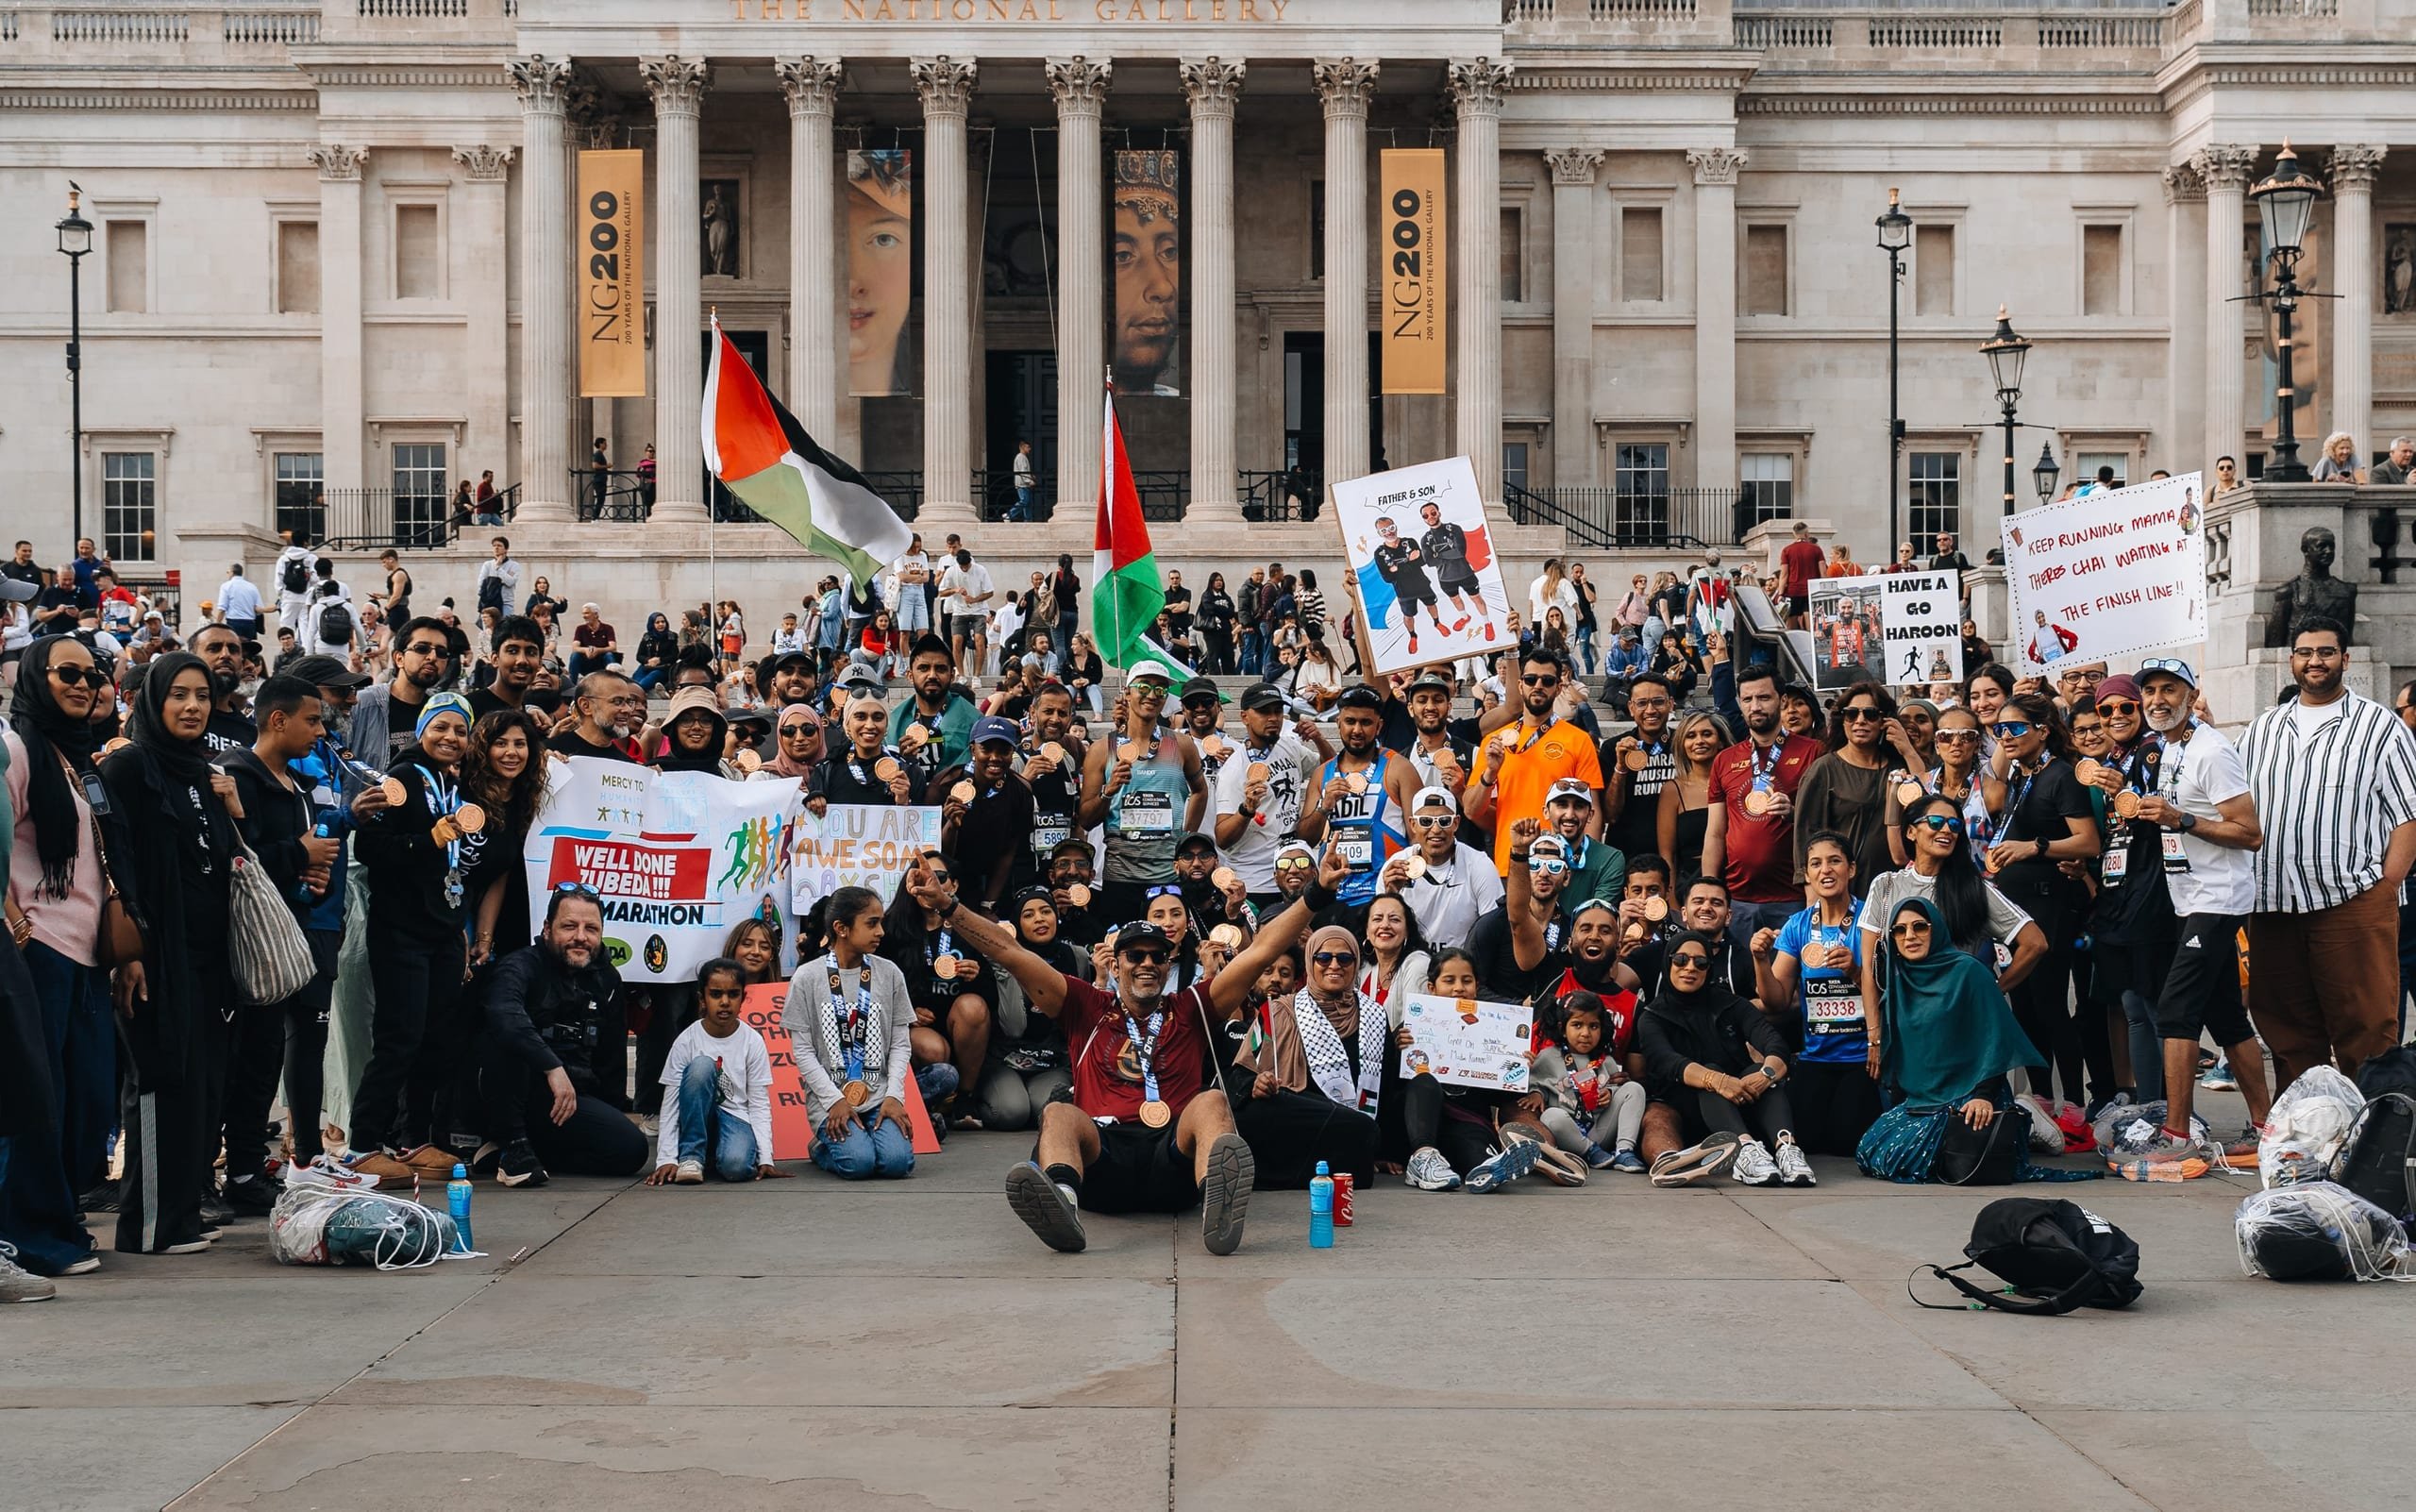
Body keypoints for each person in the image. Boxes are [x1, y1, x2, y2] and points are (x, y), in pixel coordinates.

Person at [923, 848, 1349, 1254]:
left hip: (1173, 1161)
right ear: (1116, 963)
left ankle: (1217, 1207)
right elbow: (1009, 952)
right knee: (1058, 1113)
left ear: (1168, 965)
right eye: (1135, 956)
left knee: (1212, 1102)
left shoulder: (1192, 1006)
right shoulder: (1084, 1004)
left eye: (1157, 957)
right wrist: (948, 906)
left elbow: (1262, 950)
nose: (1147, 964)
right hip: (1104, 1159)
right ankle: (1063, 1205)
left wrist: (1318, 893)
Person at [2104, 658, 2272, 1173]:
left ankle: (2177, 1135)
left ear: (2191, 695)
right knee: (2225, 1016)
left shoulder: (2211, 751)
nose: (2157, 700)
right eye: (2150, 690)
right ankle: (2265, 1128)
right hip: (2188, 898)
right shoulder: (2170, 746)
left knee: (2176, 1011)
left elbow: (2250, 833)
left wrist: (2183, 819)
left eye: (2169, 690)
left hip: (2216, 901)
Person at [2240, 617, 2416, 1089]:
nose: (2314, 661)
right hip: (2273, 905)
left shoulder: (2379, 727)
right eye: (2305, 652)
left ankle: (2375, 1126)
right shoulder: (2263, 729)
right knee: (2287, 1034)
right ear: (2291, 661)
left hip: (2351, 902)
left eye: (2325, 652)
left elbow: (2409, 814)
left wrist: (2386, 889)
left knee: (2367, 1031)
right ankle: (2307, 1124)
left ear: (2345, 659)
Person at [101, 652, 238, 1254]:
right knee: (158, 1080)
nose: (192, 706)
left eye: (202, 696)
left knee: (196, 1086)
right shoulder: (129, 766)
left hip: (203, 958)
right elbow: (114, 858)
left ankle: (182, 1212)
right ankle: (150, 1225)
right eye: (178, 694)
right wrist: (129, 951)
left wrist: (233, 809)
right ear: (153, 701)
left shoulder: (202, 769)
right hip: (153, 957)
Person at [1, 638, 115, 1276]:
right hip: (39, 948)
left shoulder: (72, 758)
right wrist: (14, 917)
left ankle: (58, 1219)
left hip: (87, 954)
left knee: (87, 1102)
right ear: (34, 678)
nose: (82, 684)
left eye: (91, 675)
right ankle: (27, 1236)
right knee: (39, 1103)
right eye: (67, 672)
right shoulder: (17, 749)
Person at [217, 677, 345, 1213]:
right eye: (312, 720)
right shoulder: (238, 777)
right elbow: (237, 861)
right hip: (246, 945)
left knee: (265, 1060)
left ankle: (248, 1169)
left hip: (287, 938)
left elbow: (300, 860)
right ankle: (233, 1170)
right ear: (277, 719)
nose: (320, 731)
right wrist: (300, 854)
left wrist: (312, 873)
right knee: (243, 1062)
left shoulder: (294, 783)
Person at [1854, 898, 2091, 1185]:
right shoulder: (1899, 983)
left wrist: (1983, 1096)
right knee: (1871, 1151)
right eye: (1900, 931)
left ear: (1936, 929)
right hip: (1922, 1101)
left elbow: (1994, 1040)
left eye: (1920, 927)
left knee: (1904, 1157)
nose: (1910, 936)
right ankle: (2026, 1122)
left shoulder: (1969, 972)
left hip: (1970, 1095)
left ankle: (2022, 1121)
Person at [352, 692, 491, 1155]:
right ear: (421, 731)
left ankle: (416, 1140)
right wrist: (427, 840)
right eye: (440, 727)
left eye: (460, 730)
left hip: (444, 931)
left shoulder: (455, 783)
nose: (451, 737)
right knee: (399, 1041)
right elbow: (370, 849)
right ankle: (365, 1143)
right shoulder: (400, 779)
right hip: (402, 931)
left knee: (436, 1042)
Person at [1977, 692, 2101, 1107]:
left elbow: (2088, 841)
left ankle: (2073, 1106)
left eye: (2014, 728)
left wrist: (2035, 847)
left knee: (2049, 1003)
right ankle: (2042, 1099)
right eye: (1999, 730)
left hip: (2050, 903)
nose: (2005, 736)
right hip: (2016, 905)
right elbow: (1991, 783)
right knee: (2025, 1006)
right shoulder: (2020, 773)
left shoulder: (2061, 775)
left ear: (2043, 731)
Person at [477, 887, 648, 1186]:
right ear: (547, 929)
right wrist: (552, 1066)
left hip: (566, 1100)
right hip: (505, 1091)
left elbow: (611, 1058)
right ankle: (513, 1147)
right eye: (569, 926)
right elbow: (504, 1017)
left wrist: (609, 1114)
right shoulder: (520, 966)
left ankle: (519, 1152)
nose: (580, 937)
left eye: (591, 928)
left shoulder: (607, 978)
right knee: (508, 1037)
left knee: (631, 1151)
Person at [1637, 928, 1811, 1187]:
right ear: (1668, 963)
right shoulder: (1652, 1015)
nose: (1690, 968)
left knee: (1757, 1068)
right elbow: (1666, 1061)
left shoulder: (1731, 1004)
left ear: (1709, 968)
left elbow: (1774, 1043)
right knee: (1710, 1075)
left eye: (1700, 962)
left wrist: (1766, 1075)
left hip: (1742, 1099)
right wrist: (1718, 1080)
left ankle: (1787, 1148)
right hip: (1690, 1109)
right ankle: (1744, 1150)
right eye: (1681, 960)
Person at [1857, 793, 2047, 1026]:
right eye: (1936, 822)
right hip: (1905, 1020)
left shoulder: (1973, 888)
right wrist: (1874, 1032)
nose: (1947, 830)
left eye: (1955, 825)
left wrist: (1994, 990)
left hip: (1961, 1021)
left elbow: (2035, 943)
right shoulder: (1886, 885)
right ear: (1911, 832)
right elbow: (1869, 968)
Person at [1224, 924, 1384, 1189]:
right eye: (1324, 958)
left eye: (1345, 958)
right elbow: (1238, 1077)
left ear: (1356, 964)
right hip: (1292, 1114)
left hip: (1347, 1124)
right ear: (1311, 963)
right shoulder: (1278, 1012)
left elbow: (1386, 1088)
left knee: (1363, 1129)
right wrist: (1257, 1083)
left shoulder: (1374, 1016)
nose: (1334, 965)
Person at [1750, 832, 1875, 1157]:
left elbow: (1891, 993)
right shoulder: (1798, 925)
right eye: (1816, 864)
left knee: (1846, 1143)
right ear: (1807, 874)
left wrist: (1855, 972)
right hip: (1815, 1057)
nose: (1826, 870)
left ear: (1851, 869)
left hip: (1862, 1058)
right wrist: (1760, 959)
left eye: (1835, 861)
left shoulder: (1870, 921)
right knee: (1806, 1139)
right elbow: (1776, 1001)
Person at [790, 885, 920, 1180]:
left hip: (879, 1097)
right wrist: (833, 1101)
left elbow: (900, 1045)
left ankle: (866, 1140)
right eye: (872, 923)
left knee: (898, 1164)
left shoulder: (890, 973)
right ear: (841, 928)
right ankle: (821, 1148)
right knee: (859, 1165)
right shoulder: (807, 977)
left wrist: (895, 1096)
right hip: (830, 1101)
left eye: (881, 922)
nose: (881, 932)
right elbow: (803, 1051)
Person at [1701, 667, 1824, 951]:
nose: (1755, 706)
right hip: (1739, 897)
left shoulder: (1813, 752)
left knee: (1789, 974)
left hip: (1794, 895)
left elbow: (1826, 822)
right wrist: (1710, 889)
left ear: (1782, 701)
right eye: (1747, 699)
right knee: (1741, 974)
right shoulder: (1724, 760)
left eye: (1764, 698)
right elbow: (1715, 833)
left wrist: (1794, 812)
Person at [1081, 660, 1207, 921]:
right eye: (1144, 687)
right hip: (1121, 875)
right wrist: (1109, 791)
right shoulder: (1102, 750)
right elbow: (1086, 819)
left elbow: (1200, 791)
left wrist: (1186, 837)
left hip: (1168, 875)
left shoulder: (1182, 745)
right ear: (1127, 693)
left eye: (1161, 689)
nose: (1152, 694)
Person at [645, 959, 781, 1185]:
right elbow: (671, 1103)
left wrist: (766, 1158)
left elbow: (759, 1103)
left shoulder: (753, 1041)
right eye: (716, 994)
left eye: (733, 994)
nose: (725, 1002)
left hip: (735, 1117)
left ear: (743, 998)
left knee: (736, 1168)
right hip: (697, 1118)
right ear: (702, 999)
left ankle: (715, 1155)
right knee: (702, 1065)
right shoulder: (686, 1040)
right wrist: (666, 1159)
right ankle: (691, 1157)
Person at [1465, 647, 1602, 871]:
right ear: (1520, 685)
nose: (1538, 686)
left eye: (1547, 681)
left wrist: (1588, 868)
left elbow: (1592, 810)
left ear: (1558, 688)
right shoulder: (1495, 741)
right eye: (1530, 679)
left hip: (1561, 865)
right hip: (1510, 863)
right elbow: (1471, 810)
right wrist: (1490, 773)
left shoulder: (1579, 740)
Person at [1794, 681, 1921, 893]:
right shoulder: (1824, 769)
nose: (1860, 721)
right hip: (1843, 890)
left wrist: (1908, 750)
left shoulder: (1900, 767)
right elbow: (1806, 836)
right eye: (1851, 714)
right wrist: (1814, 897)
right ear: (1842, 720)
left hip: (1897, 887)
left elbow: (1927, 799)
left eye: (1870, 714)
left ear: (1884, 720)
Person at [1297, 685, 1417, 912]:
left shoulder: (1399, 768)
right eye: (1350, 721)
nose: (1357, 730)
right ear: (1338, 723)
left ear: (1379, 726)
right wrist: (1324, 806)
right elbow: (1305, 839)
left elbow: (1418, 836)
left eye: (1366, 722)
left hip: (1384, 895)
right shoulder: (1322, 774)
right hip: (1334, 896)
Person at [1531, 991, 1649, 1172]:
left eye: (1593, 1026)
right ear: (1562, 1028)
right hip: (1569, 1134)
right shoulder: (1547, 1057)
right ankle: (1589, 1151)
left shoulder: (1605, 1060)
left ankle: (1624, 1151)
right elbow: (1535, 1083)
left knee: (1634, 1088)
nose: (1586, 1033)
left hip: (1601, 1128)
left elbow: (1616, 1088)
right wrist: (1536, 1093)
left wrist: (1610, 1093)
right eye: (1577, 1025)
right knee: (1551, 1115)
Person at [1384, 786, 1501, 946]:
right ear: (1413, 824)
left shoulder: (1479, 864)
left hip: (1463, 959)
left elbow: (1494, 929)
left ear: (1456, 823)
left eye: (1444, 821)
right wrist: (1391, 895)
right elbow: (1381, 932)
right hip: (1411, 958)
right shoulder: (1396, 866)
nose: (1436, 829)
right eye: (1426, 821)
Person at [887, 634, 978, 782]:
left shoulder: (973, 719)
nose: (932, 675)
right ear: (910, 675)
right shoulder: (894, 722)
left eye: (940, 669)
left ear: (952, 675)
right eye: (923, 668)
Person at [1654, 709, 1728, 889]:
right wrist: (1671, 898)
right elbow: (1667, 855)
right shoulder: (1673, 790)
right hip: (1690, 884)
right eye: (1691, 736)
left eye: (1707, 734)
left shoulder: (1735, 783)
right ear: (1682, 745)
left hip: (1737, 880)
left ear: (1720, 741)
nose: (1699, 741)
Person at [549, 671, 642, 764]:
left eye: (629, 702)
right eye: (617, 702)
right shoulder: (549, 755)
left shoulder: (627, 765)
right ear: (586, 706)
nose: (628, 709)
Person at [466, 614, 545, 720]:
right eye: (512, 651)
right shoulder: (467, 710)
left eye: (531, 653)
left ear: (540, 663)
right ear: (495, 659)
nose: (522, 660)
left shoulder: (534, 719)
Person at [1777, 521, 1826, 627]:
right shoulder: (1816, 549)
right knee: (1810, 621)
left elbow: (1784, 574)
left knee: (1792, 622)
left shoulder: (1787, 550)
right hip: (1812, 590)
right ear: (1807, 534)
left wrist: (1780, 593)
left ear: (1794, 534)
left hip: (1793, 590)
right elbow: (1823, 572)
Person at [215, 564, 263, 640]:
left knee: (234, 645)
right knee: (248, 646)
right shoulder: (252, 587)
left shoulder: (226, 586)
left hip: (234, 622)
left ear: (232, 573)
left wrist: (217, 625)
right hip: (250, 623)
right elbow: (259, 609)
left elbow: (222, 608)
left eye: (228, 572)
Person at [1009, 439, 1037, 521]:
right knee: (1024, 501)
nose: (1029, 449)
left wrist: (1031, 476)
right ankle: (1009, 515)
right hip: (1022, 484)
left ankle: (1028, 520)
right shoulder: (1021, 457)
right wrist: (1029, 481)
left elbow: (1024, 471)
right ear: (1022, 447)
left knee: (1028, 503)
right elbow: (1023, 471)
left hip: (1024, 484)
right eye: (1028, 447)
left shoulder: (1022, 457)